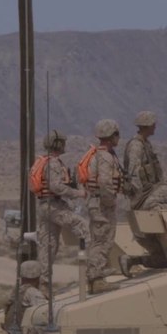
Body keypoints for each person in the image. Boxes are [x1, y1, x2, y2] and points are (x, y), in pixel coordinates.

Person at [30, 130, 89, 284]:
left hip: (45, 206)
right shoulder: (54, 163)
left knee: (48, 246)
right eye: (62, 142)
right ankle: (93, 270)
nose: (64, 145)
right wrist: (77, 193)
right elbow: (56, 186)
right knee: (82, 226)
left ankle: (43, 283)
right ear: (57, 144)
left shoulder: (43, 161)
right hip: (53, 206)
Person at [120, 163, 167, 275]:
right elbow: (150, 206)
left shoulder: (165, 187)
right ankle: (131, 260)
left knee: (165, 259)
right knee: (166, 260)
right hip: (148, 232)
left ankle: (132, 261)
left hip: (146, 230)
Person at [83, 119, 123, 293]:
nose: (118, 138)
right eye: (116, 134)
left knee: (99, 239)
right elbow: (105, 181)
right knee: (102, 240)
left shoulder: (99, 154)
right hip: (102, 204)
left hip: (97, 202)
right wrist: (110, 201)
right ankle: (97, 279)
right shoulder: (105, 156)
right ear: (111, 136)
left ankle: (95, 278)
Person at [123, 110, 163, 208]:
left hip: (149, 191)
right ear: (147, 125)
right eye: (153, 124)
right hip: (142, 194)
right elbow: (134, 173)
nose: (155, 126)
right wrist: (139, 196)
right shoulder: (136, 145)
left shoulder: (145, 143)